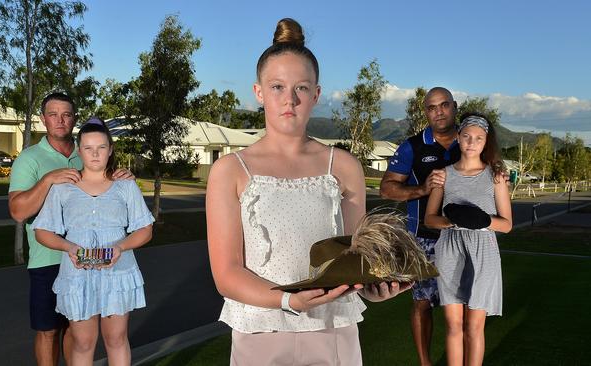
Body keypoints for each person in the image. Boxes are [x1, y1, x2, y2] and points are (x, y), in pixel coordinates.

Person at [206, 18, 411, 365]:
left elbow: (353, 258)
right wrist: (289, 301)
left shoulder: (343, 166)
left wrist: (374, 287)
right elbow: (227, 274)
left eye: (301, 88)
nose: (290, 99)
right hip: (260, 330)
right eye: (277, 87)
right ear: (258, 92)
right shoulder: (230, 170)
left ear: (316, 94)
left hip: (332, 329)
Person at [8, 93, 132, 366]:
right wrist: (49, 180)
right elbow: (17, 211)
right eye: (53, 114)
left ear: (74, 119)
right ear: (43, 119)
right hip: (48, 257)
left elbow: (106, 185)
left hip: (87, 263)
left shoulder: (85, 153)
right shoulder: (30, 159)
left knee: (76, 334)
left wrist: (122, 176)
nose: (60, 120)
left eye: (66, 114)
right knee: (49, 329)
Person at [33, 118, 154, 365]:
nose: (95, 154)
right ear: (79, 151)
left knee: (116, 338)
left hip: (118, 272)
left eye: (101, 147)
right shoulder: (63, 186)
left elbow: (145, 230)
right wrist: (69, 247)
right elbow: (42, 232)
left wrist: (120, 247)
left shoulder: (125, 185)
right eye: (88, 148)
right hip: (77, 275)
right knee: (83, 342)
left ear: (110, 149)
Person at [379, 87, 460, 365]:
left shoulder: (473, 141)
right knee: (422, 303)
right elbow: (387, 188)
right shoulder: (412, 146)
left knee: (461, 307)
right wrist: (421, 190)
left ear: (454, 106)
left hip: (464, 237)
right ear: (425, 112)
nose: (438, 111)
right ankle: (425, 363)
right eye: (431, 107)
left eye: (444, 105)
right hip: (424, 238)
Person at [424, 113, 512, 366]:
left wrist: (483, 221)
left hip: (483, 249)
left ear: (486, 142)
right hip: (450, 248)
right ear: (458, 138)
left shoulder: (495, 176)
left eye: (478, 138)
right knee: (453, 324)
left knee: (474, 326)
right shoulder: (443, 174)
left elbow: (506, 225)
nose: (472, 142)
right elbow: (430, 219)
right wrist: (453, 221)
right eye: (466, 137)